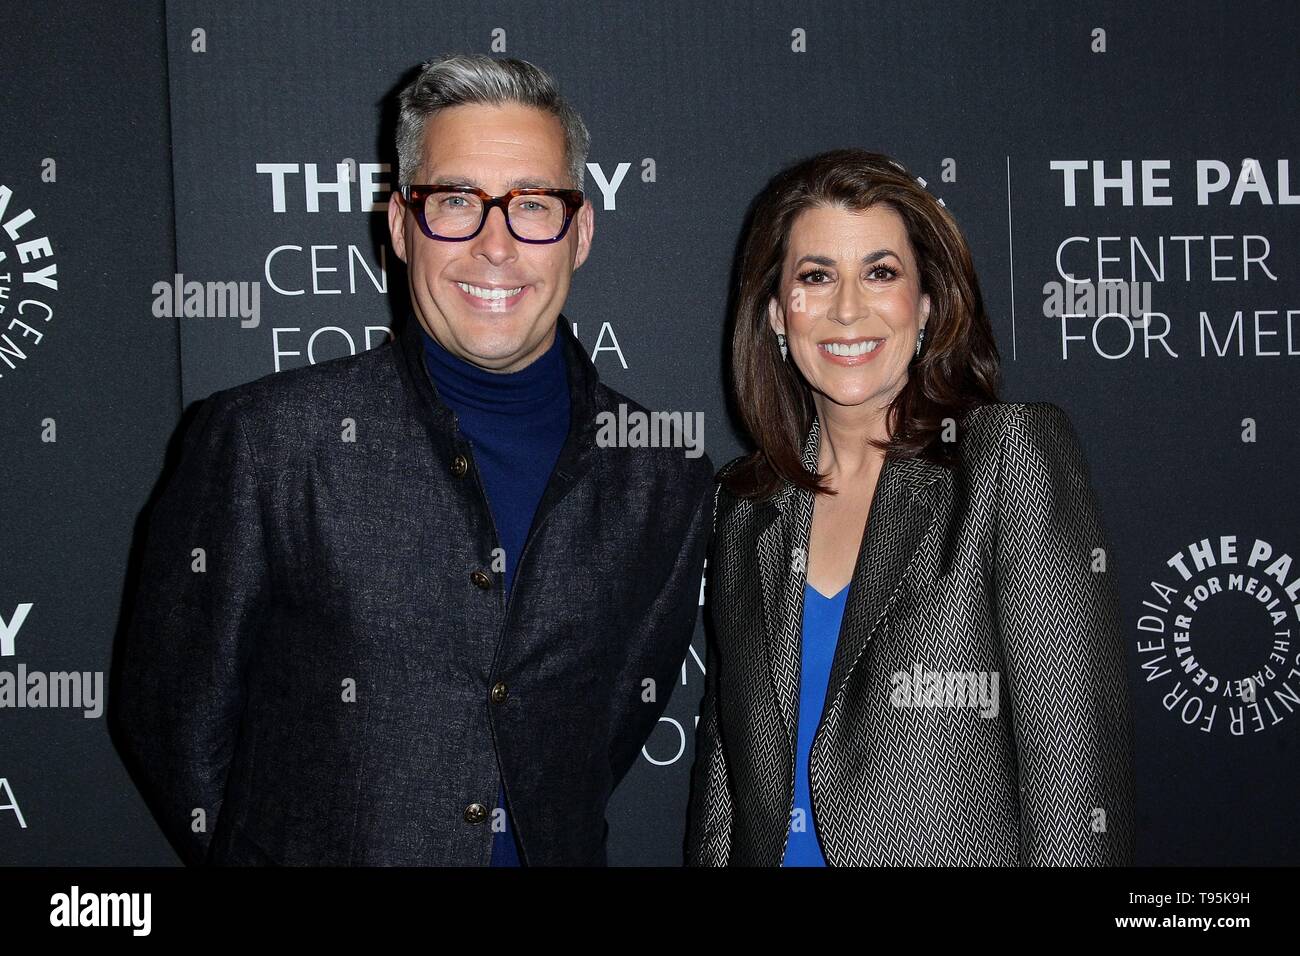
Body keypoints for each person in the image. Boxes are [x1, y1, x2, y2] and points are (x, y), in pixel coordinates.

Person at [115, 53, 713, 866]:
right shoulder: (268, 443)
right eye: (457, 202)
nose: (495, 245)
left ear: (580, 231)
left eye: (533, 205)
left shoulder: (661, 473)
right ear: (400, 226)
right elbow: (174, 718)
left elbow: (607, 731)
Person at [686, 148, 1135, 866]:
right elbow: (726, 777)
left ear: (926, 306)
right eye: (815, 276)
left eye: (880, 273)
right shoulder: (746, 507)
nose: (847, 309)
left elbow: (1074, 782)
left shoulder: (1006, 458)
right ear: (775, 313)